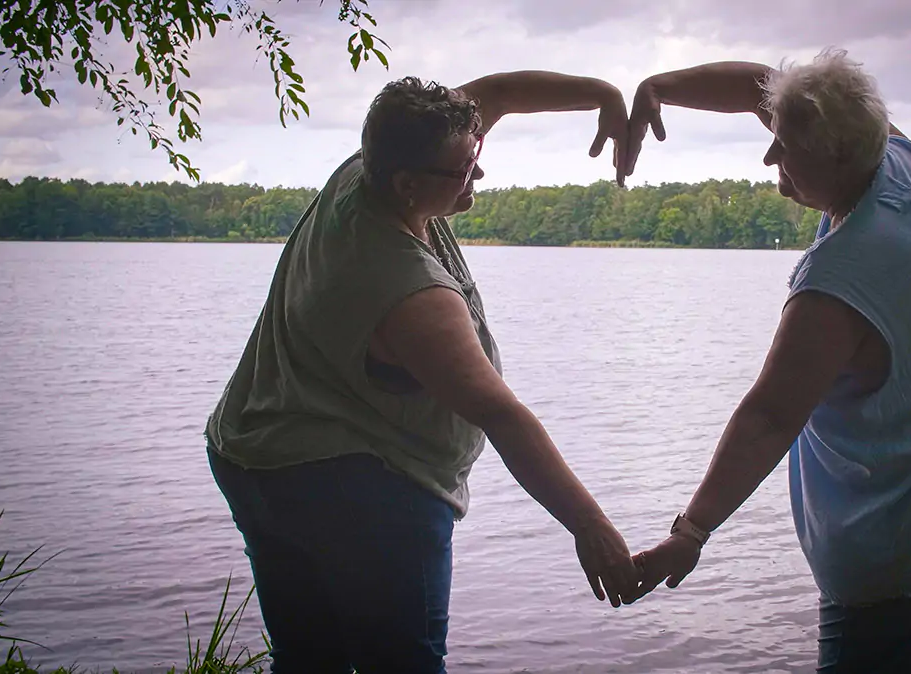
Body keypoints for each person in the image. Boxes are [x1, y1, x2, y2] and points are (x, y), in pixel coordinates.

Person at [618, 48, 911, 674]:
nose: (769, 157)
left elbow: (770, 417)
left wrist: (689, 535)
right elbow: (760, 87)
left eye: (786, 148)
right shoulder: (900, 157)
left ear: (838, 153)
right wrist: (658, 88)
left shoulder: (839, 280)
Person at [205, 71, 640, 673]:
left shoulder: (367, 168)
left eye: (476, 154)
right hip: (355, 486)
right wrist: (590, 526)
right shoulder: (411, 293)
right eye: (464, 168)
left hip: (253, 450)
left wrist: (602, 95)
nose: (478, 174)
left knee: (309, 660)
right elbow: (502, 415)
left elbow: (501, 94)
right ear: (409, 184)